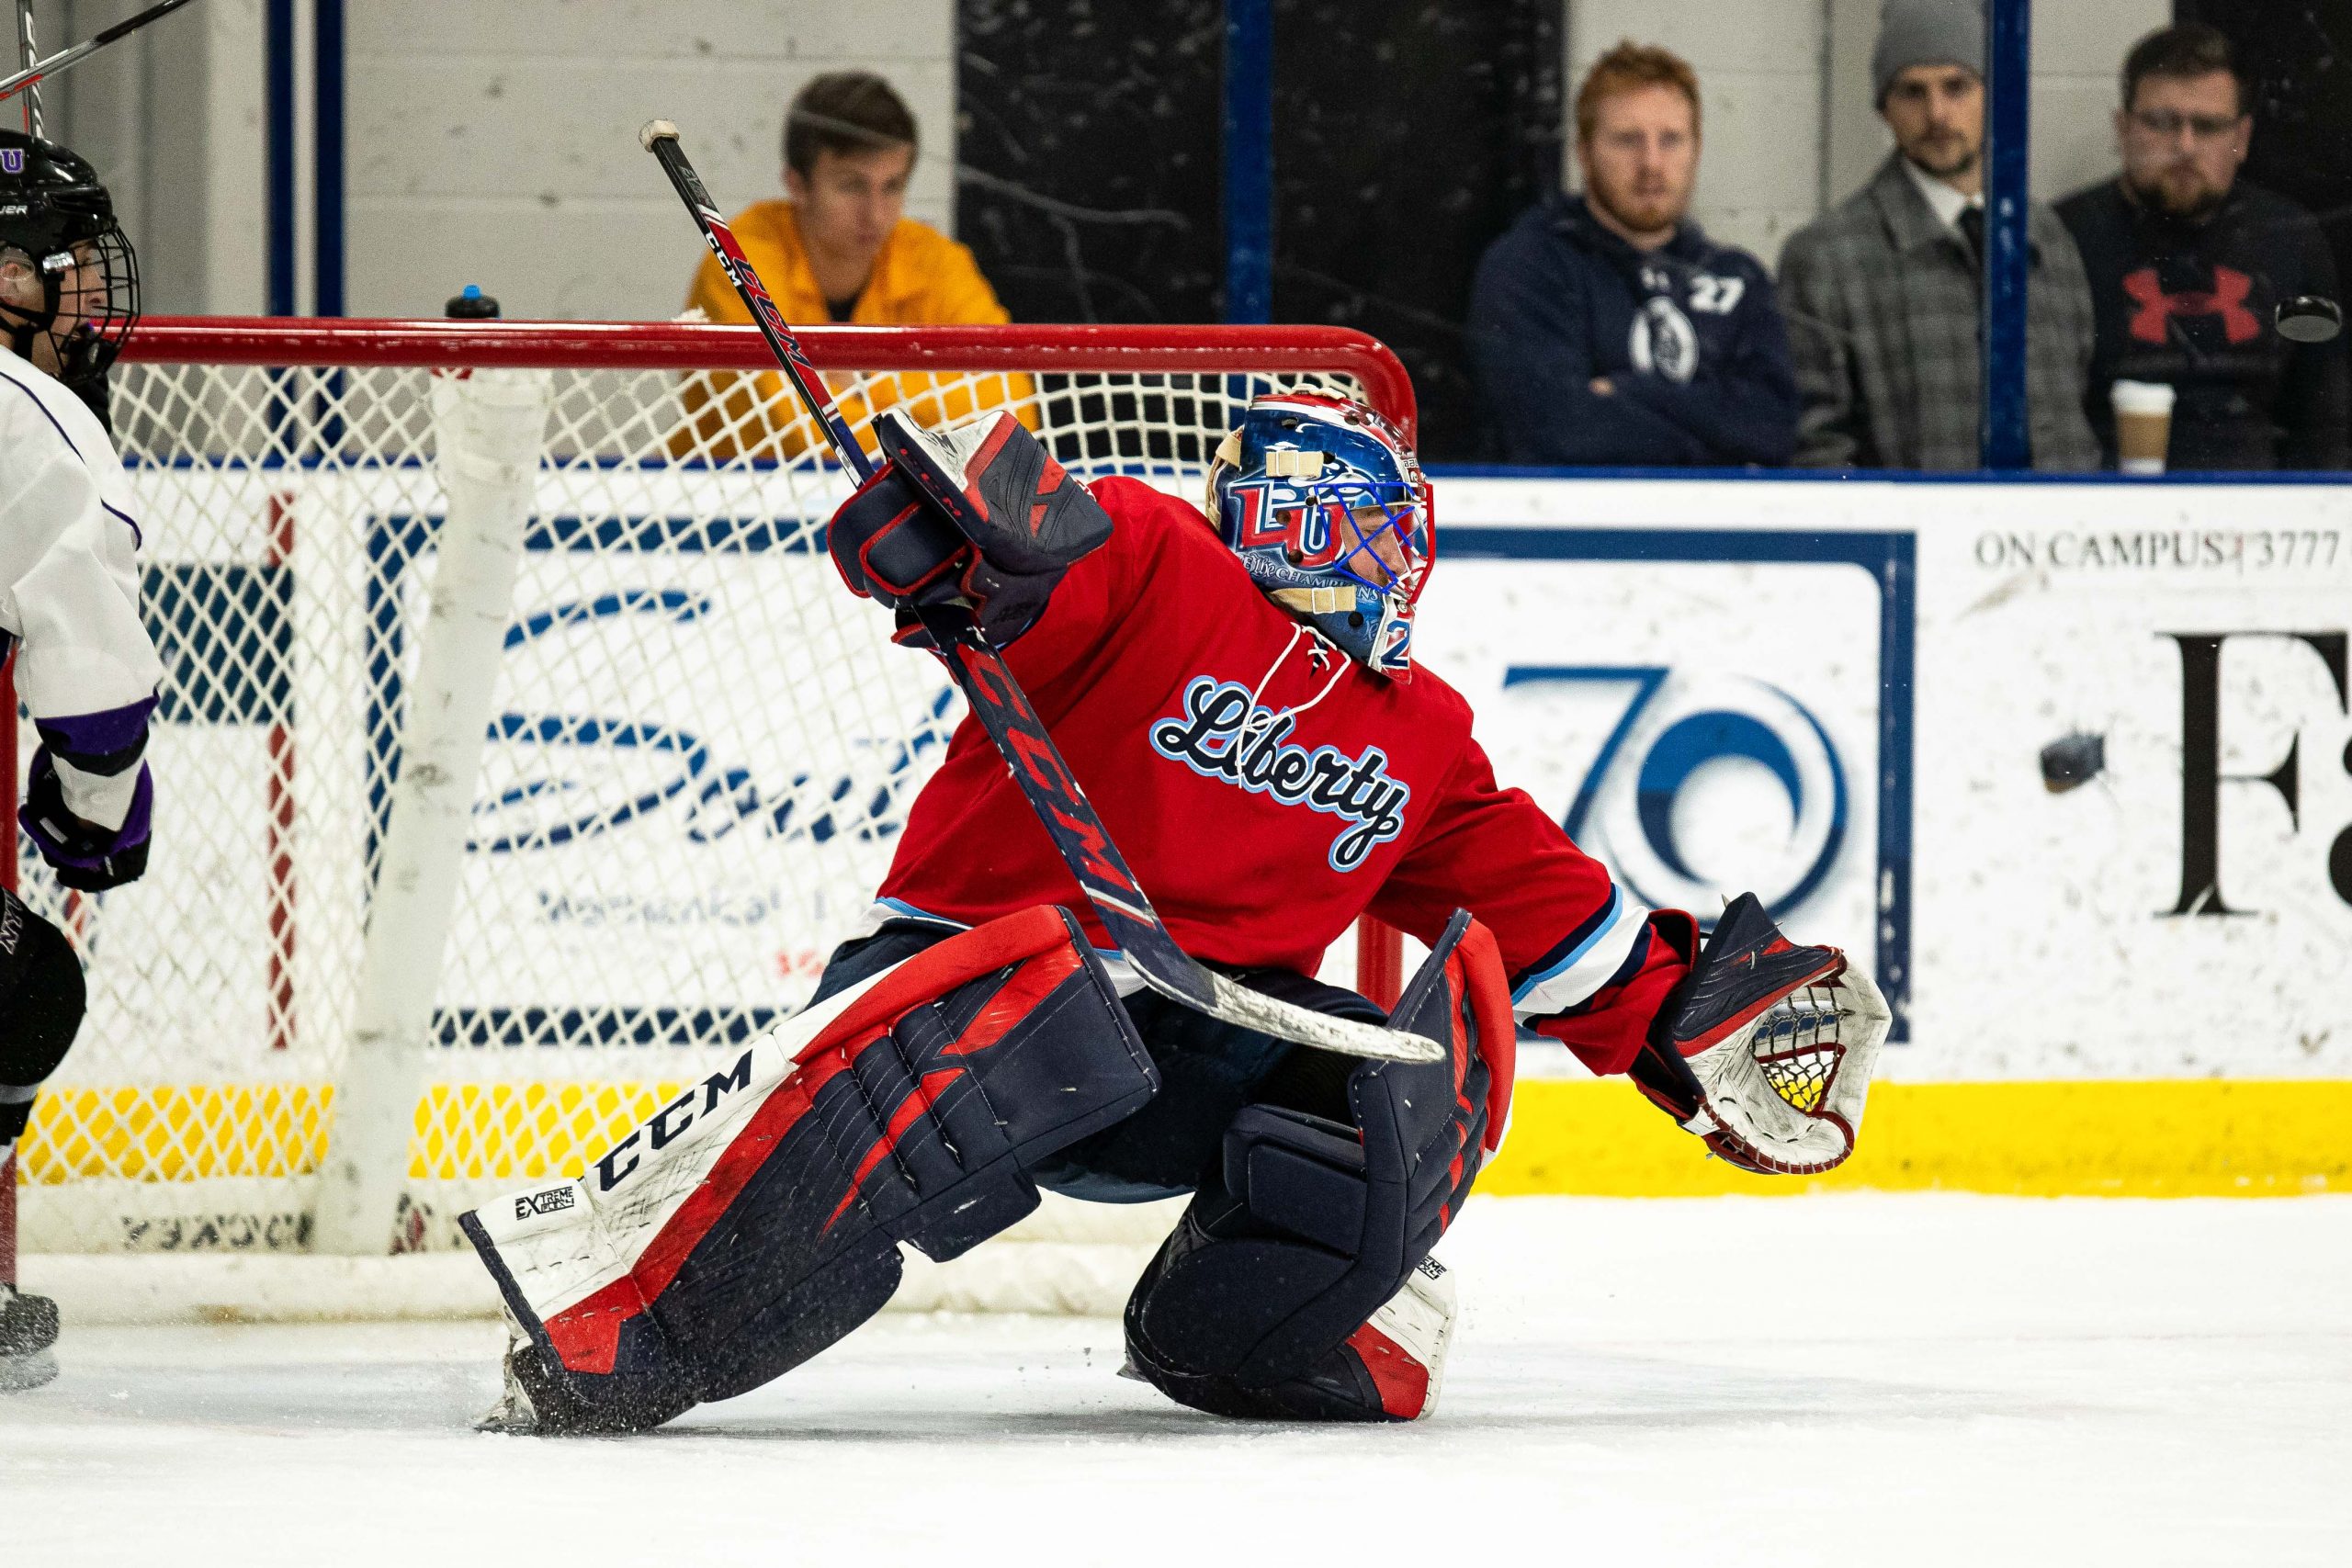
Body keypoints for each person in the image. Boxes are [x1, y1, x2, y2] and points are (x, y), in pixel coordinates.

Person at [465, 394, 1890, 1434]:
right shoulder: (1161, 563)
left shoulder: (1422, 738)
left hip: (1191, 1050)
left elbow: (1572, 941)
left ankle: (1276, 1325)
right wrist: (957, 543)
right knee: (1032, 992)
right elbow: (1036, 542)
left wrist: (1691, 1018)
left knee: (1393, 1073)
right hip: (971, 989)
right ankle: (632, 1292)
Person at [0, 131, 166, 1393]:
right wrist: (96, 808)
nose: (92, 301)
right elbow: (98, 697)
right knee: (18, 983)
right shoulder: (33, 417)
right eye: (64, 268)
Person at [1778, 0, 2100, 469]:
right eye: (1912, 92)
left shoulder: (2047, 237)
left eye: (1957, 87)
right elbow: (1817, 450)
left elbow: (2079, 402)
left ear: (1992, 95)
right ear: (1884, 108)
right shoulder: (1825, 258)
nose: (1937, 114)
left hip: (2054, 535)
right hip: (1918, 539)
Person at [1466, 41, 1797, 467]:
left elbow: (1772, 430)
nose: (1652, 163)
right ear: (1583, 153)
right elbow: (1562, 435)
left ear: (1696, 149)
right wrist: (1716, 438)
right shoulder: (1529, 266)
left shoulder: (1738, 278)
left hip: (1713, 533)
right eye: (1628, 140)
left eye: (1672, 140)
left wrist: (1628, 392)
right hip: (1571, 530)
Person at [677, 72, 1029, 459]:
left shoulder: (934, 260)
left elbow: (1014, 409)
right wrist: (920, 415)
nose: (875, 215)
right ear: (796, 184)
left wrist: (863, 383)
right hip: (730, 505)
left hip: (897, 505)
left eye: (892, 187)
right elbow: (795, 432)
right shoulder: (739, 259)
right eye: (851, 186)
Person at [2056, 25, 2347, 471]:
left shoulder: (2293, 238)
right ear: (2122, 129)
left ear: (2243, 139)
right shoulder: (2063, 236)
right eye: (2161, 122)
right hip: (2101, 511)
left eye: (2208, 126)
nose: (2184, 146)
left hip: (2263, 513)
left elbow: (2327, 416)